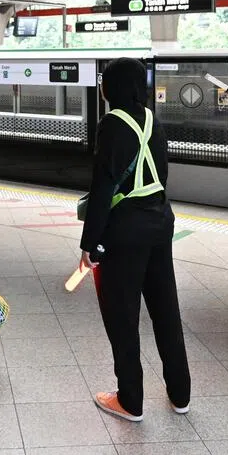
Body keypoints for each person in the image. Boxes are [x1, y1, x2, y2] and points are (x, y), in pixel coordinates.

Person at [79, 57, 190, 422]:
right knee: (165, 310)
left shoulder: (112, 123)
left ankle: (130, 400)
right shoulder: (151, 118)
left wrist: (90, 242)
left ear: (111, 86)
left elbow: (103, 185)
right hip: (159, 220)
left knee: (123, 315)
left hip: (125, 230)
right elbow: (162, 172)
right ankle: (180, 394)